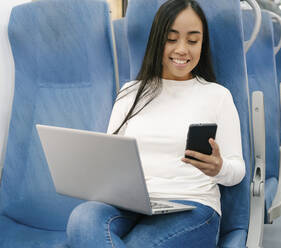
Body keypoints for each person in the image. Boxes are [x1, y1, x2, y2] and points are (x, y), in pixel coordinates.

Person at [66, 0, 245, 247]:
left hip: (191, 205)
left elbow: (238, 170)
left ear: (202, 45)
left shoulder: (217, 95)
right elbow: (109, 158)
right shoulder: (131, 92)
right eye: (171, 39)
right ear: (157, 41)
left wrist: (219, 168)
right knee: (82, 220)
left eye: (193, 41)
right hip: (132, 203)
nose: (182, 49)